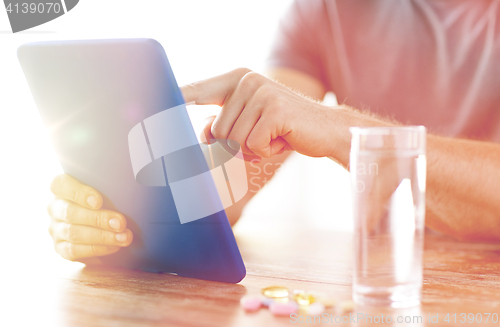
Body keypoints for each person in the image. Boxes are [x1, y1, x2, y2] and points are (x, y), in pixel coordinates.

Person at [47, 0, 500, 262]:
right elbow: (246, 166)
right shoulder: (327, 11)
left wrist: (340, 129)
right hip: (389, 282)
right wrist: (124, 218)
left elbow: (317, 122)